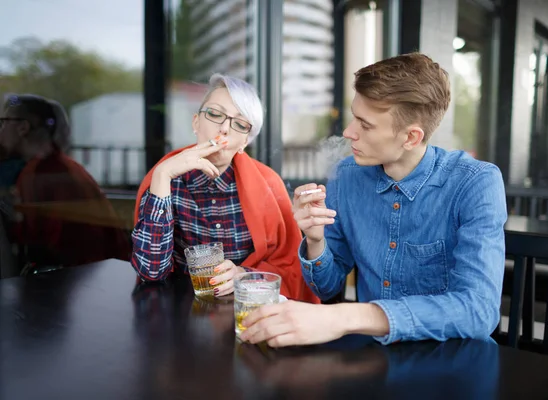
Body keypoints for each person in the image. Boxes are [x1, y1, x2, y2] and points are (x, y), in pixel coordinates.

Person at [239, 53, 507, 346]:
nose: (348, 132)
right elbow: (327, 287)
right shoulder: (348, 175)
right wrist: (315, 240)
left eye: (365, 125)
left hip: (451, 360)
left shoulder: (475, 182)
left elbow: (479, 311)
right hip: (373, 358)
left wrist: (345, 318)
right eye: (354, 116)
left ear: (411, 138)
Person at [131, 73, 318, 303]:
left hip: (246, 311)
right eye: (215, 114)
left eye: (239, 124)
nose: (224, 129)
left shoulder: (269, 184)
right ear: (196, 122)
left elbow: (289, 267)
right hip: (176, 310)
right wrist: (162, 175)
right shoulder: (165, 178)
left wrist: (244, 275)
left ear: (245, 142)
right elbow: (150, 272)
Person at [0, 94, 130, 276]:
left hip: (86, 280)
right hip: (107, 272)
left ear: (23, 127)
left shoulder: (40, 174)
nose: (1, 129)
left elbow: (39, 242)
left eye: (4, 121)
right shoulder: (61, 166)